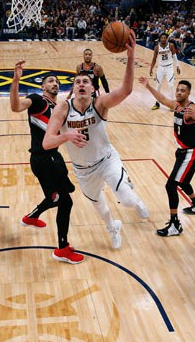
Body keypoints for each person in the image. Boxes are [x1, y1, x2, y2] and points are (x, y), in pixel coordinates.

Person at [43, 30, 149, 249]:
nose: (81, 84)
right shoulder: (63, 108)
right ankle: (113, 228)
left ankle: (136, 199)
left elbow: (126, 90)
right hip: (83, 169)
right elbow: (46, 142)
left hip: (106, 160)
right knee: (101, 209)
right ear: (73, 88)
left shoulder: (99, 104)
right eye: (78, 82)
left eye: (86, 82)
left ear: (92, 89)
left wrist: (130, 58)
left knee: (127, 200)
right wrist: (66, 136)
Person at [10, 60, 83, 264]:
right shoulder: (37, 100)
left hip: (54, 157)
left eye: (57, 81)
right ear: (43, 86)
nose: (55, 83)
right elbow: (16, 106)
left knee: (59, 197)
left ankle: (31, 217)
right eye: (50, 81)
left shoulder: (60, 107)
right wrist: (16, 80)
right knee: (64, 200)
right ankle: (62, 249)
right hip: (42, 158)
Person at [139, 76, 195, 236]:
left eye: (183, 91)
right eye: (178, 90)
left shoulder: (192, 109)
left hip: (191, 152)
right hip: (182, 151)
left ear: (189, 93)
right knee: (183, 181)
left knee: (171, 185)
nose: (179, 93)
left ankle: (175, 224)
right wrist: (149, 87)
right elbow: (164, 99)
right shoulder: (176, 105)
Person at [149, 33, 181, 110]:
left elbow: (174, 56)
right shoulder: (157, 47)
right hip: (160, 68)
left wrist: (177, 66)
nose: (163, 39)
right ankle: (157, 103)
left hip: (169, 67)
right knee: (158, 86)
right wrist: (151, 68)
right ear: (160, 39)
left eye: (164, 38)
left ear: (167, 39)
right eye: (162, 38)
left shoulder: (171, 45)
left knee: (171, 85)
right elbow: (154, 59)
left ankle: (172, 104)